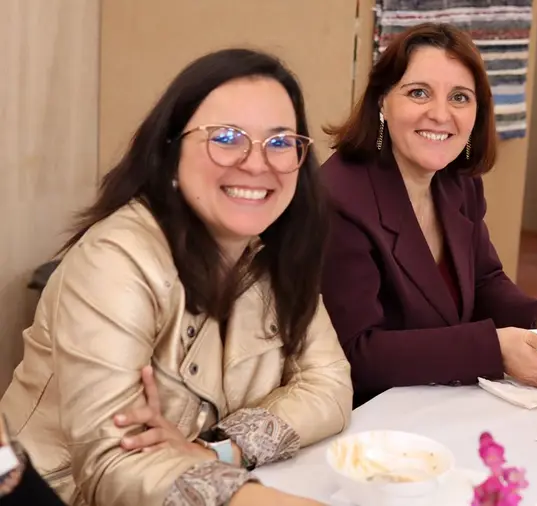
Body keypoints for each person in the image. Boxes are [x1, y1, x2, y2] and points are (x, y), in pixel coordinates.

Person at [0, 48, 352, 506]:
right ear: (169, 153)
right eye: (226, 136)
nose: (257, 162)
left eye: (281, 142)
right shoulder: (116, 258)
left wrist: (218, 449)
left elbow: (329, 384)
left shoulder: (275, 252)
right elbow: (112, 467)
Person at [319, 22, 537, 407]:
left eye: (459, 97)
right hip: (370, 419)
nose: (441, 114)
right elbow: (355, 353)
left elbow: (484, 281)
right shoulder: (339, 198)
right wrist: (493, 349)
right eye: (419, 93)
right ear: (382, 100)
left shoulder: (457, 181)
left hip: (440, 398)